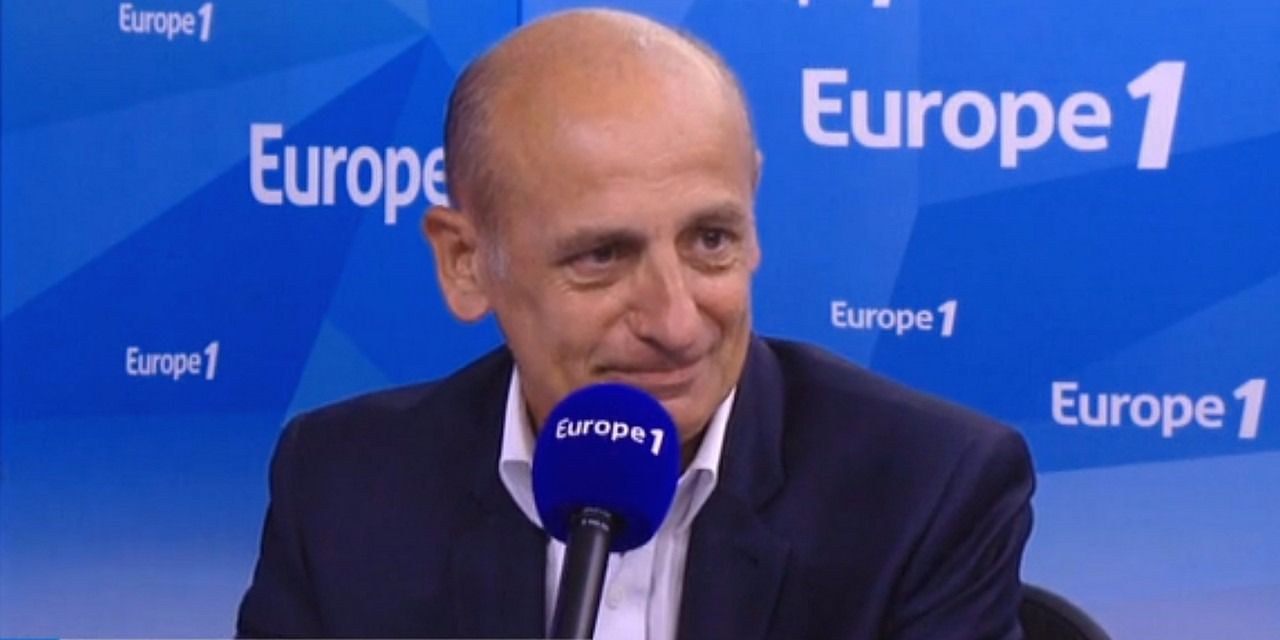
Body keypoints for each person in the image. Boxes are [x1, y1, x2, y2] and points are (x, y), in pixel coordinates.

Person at [237, 8, 1034, 639]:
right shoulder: (343, 488)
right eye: (602, 256)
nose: (676, 322)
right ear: (466, 262)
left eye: (710, 240)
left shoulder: (928, 489)